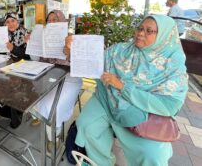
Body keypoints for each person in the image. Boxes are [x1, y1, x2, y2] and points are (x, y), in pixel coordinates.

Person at [67, 15, 188, 165]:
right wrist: (73, 52)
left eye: (149, 31)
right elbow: (93, 64)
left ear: (164, 36)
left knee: (153, 154)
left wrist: (123, 87)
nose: (140, 33)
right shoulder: (121, 50)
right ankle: (100, 162)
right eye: (140, 28)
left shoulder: (173, 64)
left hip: (140, 111)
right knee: (86, 125)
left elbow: (170, 105)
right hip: (107, 98)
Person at [30, 10, 82, 151]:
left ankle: (54, 135)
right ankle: (41, 115)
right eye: (49, 20)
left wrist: (70, 51)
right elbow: (35, 59)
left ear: (63, 21)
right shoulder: (43, 37)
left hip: (69, 77)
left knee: (51, 105)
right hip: (46, 74)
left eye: (55, 19)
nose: (52, 22)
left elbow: (82, 64)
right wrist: (32, 44)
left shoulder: (72, 38)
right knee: (28, 91)